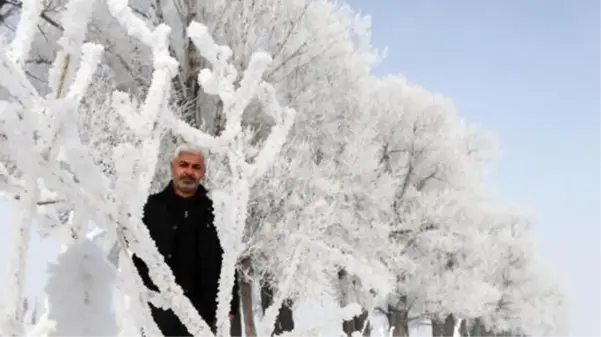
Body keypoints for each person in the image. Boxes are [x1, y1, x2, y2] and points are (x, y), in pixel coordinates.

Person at [131, 145, 241, 337]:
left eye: (196, 167)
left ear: (203, 172)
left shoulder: (217, 211)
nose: (189, 172)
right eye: (184, 165)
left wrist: (229, 305)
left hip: (205, 317)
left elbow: (229, 261)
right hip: (160, 315)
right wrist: (146, 297)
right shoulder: (150, 208)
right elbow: (138, 259)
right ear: (172, 166)